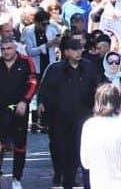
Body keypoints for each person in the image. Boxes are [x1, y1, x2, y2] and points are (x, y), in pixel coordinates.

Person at [38, 35, 101, 189]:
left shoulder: (89, 67)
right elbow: (44, 89)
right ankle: (59, 172)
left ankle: (69, 179)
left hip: (82, 115)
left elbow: (98, 86)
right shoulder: (55, 68)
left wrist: (98, 104)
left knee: (76, 147)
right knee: (58, 147)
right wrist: (41, 104)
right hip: (58, 116)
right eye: (74, 49)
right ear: (66, 52)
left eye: (80, 49)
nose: (78, 52)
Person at [0, 36, 36, 189]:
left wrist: (24, 101)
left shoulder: (26, 61)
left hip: (19, 108)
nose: (6, 52)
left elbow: (33, 83)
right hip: (1, 109)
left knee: (19, 144)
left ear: (15, 48)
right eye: (3, 49)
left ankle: (16, 178)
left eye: (9, 48)